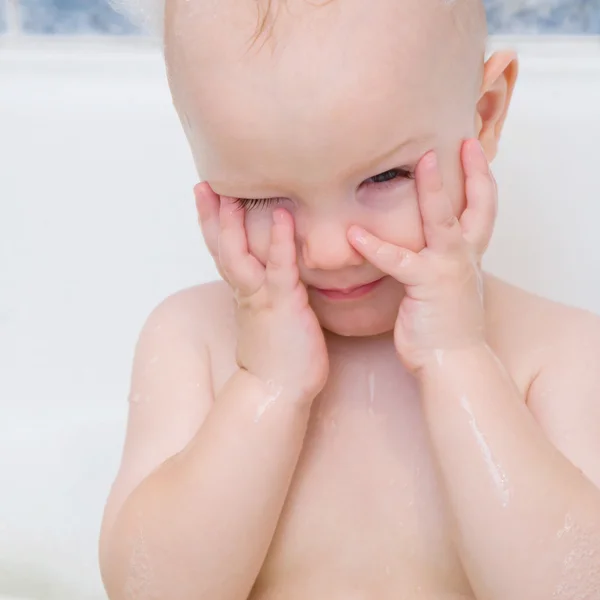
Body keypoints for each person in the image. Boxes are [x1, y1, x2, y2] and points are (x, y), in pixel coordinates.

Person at [99, 1, 600, 598]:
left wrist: (457, 359)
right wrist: (266, 388)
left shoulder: (557, 356)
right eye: (261, 199)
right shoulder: (194, 345)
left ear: (485, 114)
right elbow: (147, 590)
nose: (330, 250)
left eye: (386, 178)